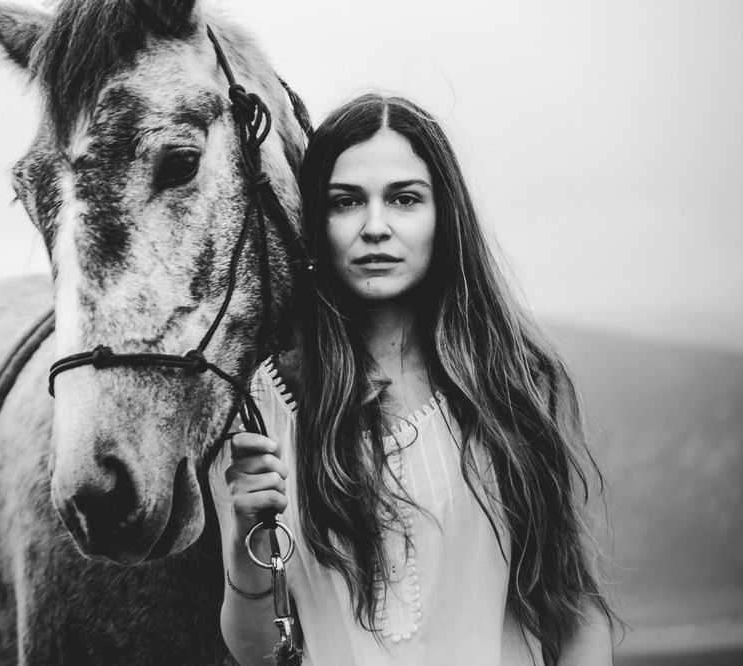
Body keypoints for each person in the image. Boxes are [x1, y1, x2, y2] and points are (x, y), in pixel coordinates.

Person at [211, 93, 619, 665]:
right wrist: (243, 539)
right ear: (314, 221)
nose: (375, 227)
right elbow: (258, 651)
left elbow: (574, 608)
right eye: (346, 202)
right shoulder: (253, 409)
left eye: (404, 199)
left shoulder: (515, 385)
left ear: (443, 217)